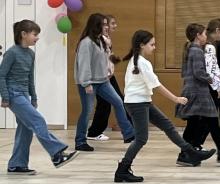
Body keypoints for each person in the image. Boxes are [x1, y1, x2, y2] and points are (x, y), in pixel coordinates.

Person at [116, 30, 216, 183]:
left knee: (167, 126)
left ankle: (190, 152)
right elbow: (157, 86)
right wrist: (176, 99)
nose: (154, 47)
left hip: (141, 102)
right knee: (141, 139)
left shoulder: (137, 61)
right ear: (142, 45)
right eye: (152, 45)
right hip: (137, 104)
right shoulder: (142, 63)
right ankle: (122, 169)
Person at [0, 20, 79, 174]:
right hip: (14, 94)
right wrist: (5, 97)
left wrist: (34, 98)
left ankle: (16, 165)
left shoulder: (31, 54)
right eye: (35, 34)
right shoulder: (12, 53)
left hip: (24, 95)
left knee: (25, 130)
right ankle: (57, 154)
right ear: (23, 34)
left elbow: (30, 78)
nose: (37, 38)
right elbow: (1, 75)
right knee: (38, 120)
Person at [177, 23, 220, 166]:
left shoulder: (191, 49)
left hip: (195, 90)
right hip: (198, 92)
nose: (206, 36)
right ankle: (214, 152)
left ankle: (188, 152)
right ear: (198, 36)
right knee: (207, 119)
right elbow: (199, 72)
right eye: (204, 34)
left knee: (196, 122)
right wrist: (213, 80)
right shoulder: (197, 51)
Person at [74, 13, 135, 151]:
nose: (107, 27)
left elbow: (104, 60)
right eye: (104, 24)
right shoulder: (86, 43)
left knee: (118, 102)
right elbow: (84, 64)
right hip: (89, 82)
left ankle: (129, 134)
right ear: (97, 25)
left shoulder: (101, 41)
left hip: (103, 81)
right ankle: (80, 141)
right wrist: (86, 83)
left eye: (107, 24)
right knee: (87, 111)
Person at [86, 14, 127, 141]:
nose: (115, 26)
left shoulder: (106, 39)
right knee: (111, 103)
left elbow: (107, 56)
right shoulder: (101, 40)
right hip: (103, 78)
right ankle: (95, 132)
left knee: (108, 103)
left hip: (108, 76)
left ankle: (94, 131)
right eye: (112, 23)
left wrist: (114, 59)